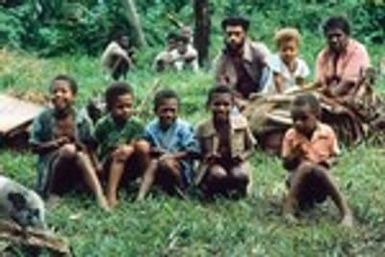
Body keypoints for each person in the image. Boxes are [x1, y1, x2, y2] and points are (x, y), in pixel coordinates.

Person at [29, 75, 109, 210]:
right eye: (54, 92)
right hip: (51, 166)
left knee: (78, 154)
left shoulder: (82, 119)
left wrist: (96, 165)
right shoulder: (43, 118)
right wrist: (55, 144)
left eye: (64, 91)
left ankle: (99, 195)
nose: (58, 95)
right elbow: (33, 147)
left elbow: (90, 145)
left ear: (74, 96)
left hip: (77, 166)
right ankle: (54, 193)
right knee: (69, 150)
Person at [281, 93, 353, 227]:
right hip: (298, 183)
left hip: (321, 183)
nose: (298, 123)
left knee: (320, 170)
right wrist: (294, 155)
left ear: (317, 116)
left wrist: (329, 162)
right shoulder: (291, 136)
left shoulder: (327, 133)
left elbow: (336, 156)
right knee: (305, 167)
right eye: (294, 119)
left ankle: (346, 213)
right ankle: (288, 210)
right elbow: (285, 164)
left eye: (304, 118)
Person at [94, 82, 150, 208]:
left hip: (130, 162)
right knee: (122, 152)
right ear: (109, 107)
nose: (126, 110)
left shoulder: (137, 124)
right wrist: (97, 164)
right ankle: (111, 194)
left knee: (143, 146)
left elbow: (137, 143)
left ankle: (145, 185)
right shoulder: (103, 124)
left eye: (129, 106)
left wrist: (131, 147)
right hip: (109, 164)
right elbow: (92, 146)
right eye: (120, 107)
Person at [136, 89, 199, 200]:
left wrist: (172, 155)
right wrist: (155, 150)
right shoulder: (151, 128)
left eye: (172, 111)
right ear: (155, 111)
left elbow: (194, 151)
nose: (168, 114)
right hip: (159, 164)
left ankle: (182, 191)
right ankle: (141, 196)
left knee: (167, 162)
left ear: (178, 111)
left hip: (180, 167)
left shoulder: (183, 128)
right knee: (154, 162)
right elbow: (147, 145)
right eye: (164, 111)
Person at [196, 86, 255, 197]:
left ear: (232, 106)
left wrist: (243, 156)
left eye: (226, 104)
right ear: (209, 105)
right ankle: (216, 192)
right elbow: (196, 152)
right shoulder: (202, 128)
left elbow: (251, 148)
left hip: (235, 163)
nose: (221, 108)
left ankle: (237, 192)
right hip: (214, 165)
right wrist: (207, 156)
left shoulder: (241, 124)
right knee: (217, 174)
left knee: (239, 175)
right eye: (217, 104)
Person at [215, 16, 271, 100]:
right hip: (236, 98)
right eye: (229, 34)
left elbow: (273, 72)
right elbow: (221, 87)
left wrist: (263, 94)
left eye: (237, 34)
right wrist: (237, 101)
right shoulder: (221, 59)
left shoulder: (259, 50)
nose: (232, 38)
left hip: (263, 93)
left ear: (244, 34)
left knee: (269, 67)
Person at [315, 16, 370, 98]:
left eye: (338, 35)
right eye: (330, 36)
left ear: (347, 35)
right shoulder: (323, 55)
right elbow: (319, 82)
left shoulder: (358, 51)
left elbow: (348, 82)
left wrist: (330, 96)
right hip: (328, 97)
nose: (334, 40)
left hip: (353, 99)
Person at [267, 28, 310, 94]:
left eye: (292, 49)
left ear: (297, 49)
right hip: (274, 94)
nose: (288, 53)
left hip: (292, 95)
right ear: (278, 49)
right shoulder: (274, 60)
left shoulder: (301, 65)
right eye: (284, 50)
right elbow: (277, 81)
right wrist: (282, 96)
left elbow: (301, 85)